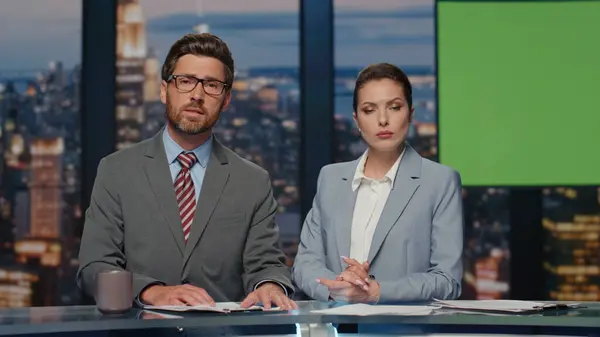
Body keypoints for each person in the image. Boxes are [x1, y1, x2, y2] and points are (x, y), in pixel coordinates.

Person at [77, 33, 297, 310]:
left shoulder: (253, 180)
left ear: (226, 99)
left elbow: (266, 263)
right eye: (185, 81)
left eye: (212, 85)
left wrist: (269, 284)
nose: (197, 95)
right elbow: (94, 266)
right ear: (163, 90)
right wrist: (151, 291)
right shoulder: (116, 170)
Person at [292, 63, 464, 303]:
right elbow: (305, 263)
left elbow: (448, 280)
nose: (383, 120)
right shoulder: (330, 178)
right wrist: (336, 288)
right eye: (369, 110)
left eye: (394, 107)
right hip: (334, 327)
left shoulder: (440, 181)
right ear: (357, 120)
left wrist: (375, 291)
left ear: (410, 113)